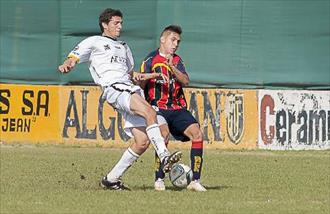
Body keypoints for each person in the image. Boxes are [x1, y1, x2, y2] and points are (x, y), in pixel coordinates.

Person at [58, 8, 182, 191]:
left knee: (142, 141)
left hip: (128, 87)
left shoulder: (124, 46)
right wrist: (67, 64)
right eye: (116, 23)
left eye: (121, 23)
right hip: (114, 88)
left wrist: (152, 75)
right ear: (104, 24)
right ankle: (164, 155)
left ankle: (111, 179)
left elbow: (132, 75)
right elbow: (73, 57)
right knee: (149, 112)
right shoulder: (94, 41)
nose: (120, 26)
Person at [139, 25, 207, 191]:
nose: (175, 44)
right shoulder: (150, 60)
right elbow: (140, 82)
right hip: (157, 107)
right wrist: (151, 76)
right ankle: (159, 179)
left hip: (177, 108)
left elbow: (185, 81)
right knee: (163, 136)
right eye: (173, 40)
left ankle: (195, 181)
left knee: (197, 134)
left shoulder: (177, 60)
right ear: (162, 40)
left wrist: (172, 67)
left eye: (178, 41)